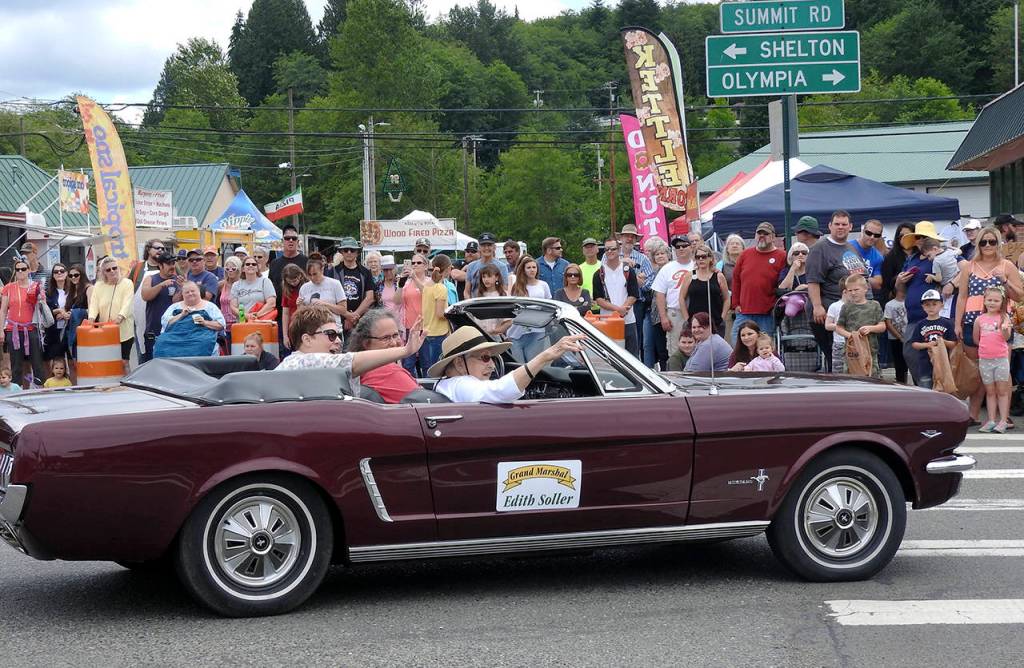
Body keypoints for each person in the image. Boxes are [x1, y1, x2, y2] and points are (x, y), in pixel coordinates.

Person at [430, 325, 584, 403]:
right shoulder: (461, 384)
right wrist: (544, 357)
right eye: (484, 358)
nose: (492, 366)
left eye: (492, 358)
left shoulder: (445, 385)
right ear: (459, 364)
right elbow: (501, 390)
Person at [806, 210, 868, 372]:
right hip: (828, 312)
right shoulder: (820, 249)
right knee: (835, 359)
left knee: (852, 357)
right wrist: (818, 306)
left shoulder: (850, 248)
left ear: (850, 227)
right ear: (829, 226)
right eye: (837, 224)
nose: (840, 227)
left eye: (844, 224)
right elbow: (812, 280)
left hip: (850, 312)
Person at [730, 222, 787, 342]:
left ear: (773, 237)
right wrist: (735, 304)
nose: (761, 236)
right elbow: (736, 280)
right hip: (744, 312)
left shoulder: (782, 256)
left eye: (765, 234)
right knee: (737, 342)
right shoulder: (745, 254)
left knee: (764, 348)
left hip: (767, 313)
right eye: (759, 233)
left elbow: (784, 283)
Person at [348, 309, 420, 403]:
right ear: (366, 343)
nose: (394, 343)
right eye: (385, 338)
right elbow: (425, 403)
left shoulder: (358, 370)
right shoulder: (385, 370)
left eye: (395, 335)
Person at [0, 257, 46, 388]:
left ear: (29, 270)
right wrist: (1, 331)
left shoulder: (35, 286)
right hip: (13, 328)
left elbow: (42, 307)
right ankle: (16, 389)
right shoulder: (8, 288)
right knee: (16, 363)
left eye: (23, 269)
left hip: (32, 328)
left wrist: (40, 297)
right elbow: (3, 310)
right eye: (18, 269)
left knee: (37, 362)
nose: (20, 271)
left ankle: (39, 388)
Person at [973, 287, 1013, 433]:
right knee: (990, 391)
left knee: (1002, 391)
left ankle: (1003, 420)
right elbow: (976, 338)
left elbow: (1007, 338)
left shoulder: (1004, 317)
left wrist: (1004, 329)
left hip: (1001, 359)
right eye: (989, 300)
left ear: (1002, 302)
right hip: (985, 359)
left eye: (996, 300)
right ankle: (991, 420)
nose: (992, 303)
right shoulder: (979, 319)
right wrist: (985, 347)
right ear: (984, 301)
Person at [592, 238, 640, 356]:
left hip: (628, 321)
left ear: (619, 250)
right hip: (606, 321)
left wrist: (623, 309)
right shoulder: (599, 273)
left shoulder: (628, 270)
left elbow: (633, 294)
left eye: (613, 249)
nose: (610, 251)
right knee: (609, 357)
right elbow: (599, 299)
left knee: (631, 357)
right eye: (607, 249)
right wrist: (618, 310)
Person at [88, 256, 135, 375]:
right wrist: (91, 319)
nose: (112, 271)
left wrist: (120, 317)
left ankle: (127, 385)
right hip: (105, 330)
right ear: (103, 272)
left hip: (124, 330)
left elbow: (127, 303)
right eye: (108, 270)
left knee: (124, 362)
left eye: (114, 268)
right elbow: (94, 304)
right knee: (108, 361)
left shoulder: (127, 283)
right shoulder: (99, 285)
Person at [155, 281, 225, 357]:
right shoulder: (174, 307)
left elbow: (221, 325)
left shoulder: (210, 306)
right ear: (182, 294)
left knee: (204, 343)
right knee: (161, 342)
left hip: (200, 338)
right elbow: (165, 323)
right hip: (176, 337)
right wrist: (181, 315)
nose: (190, 293)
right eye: (187, 292)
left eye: (193, 291)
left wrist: (205, 322)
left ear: (198, 291)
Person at [835, 274, 886, 378]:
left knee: (873, 379)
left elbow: (882, 326)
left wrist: (871, 328)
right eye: (850, 290)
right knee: (852, 379)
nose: (853, 293)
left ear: (865, 289)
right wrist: (851, 336)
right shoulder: (846, 307)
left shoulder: (874, 305)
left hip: (871, 352)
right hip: (852, 353)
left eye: (856, 289)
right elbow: (839, 327)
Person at [653, 234, 695, 355]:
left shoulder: (697, 265)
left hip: (695, 312)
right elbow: (659, 294)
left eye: (684, 245)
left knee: (697, 348)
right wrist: (663, 317)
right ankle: (676, 374)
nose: (681, 249)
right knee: (675, 350)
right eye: (677, 246)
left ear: (691, 247)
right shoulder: (667, 268)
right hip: (675, 313)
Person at [507, 255, 553, 361]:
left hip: (537, 328)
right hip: (518, 329)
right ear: (523, 270)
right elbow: (513, 307)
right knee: (519, 365)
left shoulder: (543, 285)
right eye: (528, 267)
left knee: (533, 362)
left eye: (534, 267)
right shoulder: (517, 286)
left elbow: (549, 305)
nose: (532, 270)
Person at [269, 224, 308, 347]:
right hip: (281, 315)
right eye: (287, 238)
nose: (290, 240)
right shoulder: (275, 263)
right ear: (282, 241)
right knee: (285, 349)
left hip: (303, 314)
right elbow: (271, 288)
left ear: (298, 241)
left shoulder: (305, 261)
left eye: (294, 238)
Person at [910, 289, 957, 391]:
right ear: (923, 307)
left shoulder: (947, 323)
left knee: (943, 392)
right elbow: (914, 344)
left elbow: (953, 344)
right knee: (926, 390)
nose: (931, 307)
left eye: (934, 304)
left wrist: (943, 342)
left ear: (941, 305)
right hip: (925, 365)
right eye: (927, 305)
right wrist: (928, 345)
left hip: (943, 364)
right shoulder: (920, 324)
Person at [139, 253, 181, 362]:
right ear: (160, 265)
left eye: (173, 263)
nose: (172, 266)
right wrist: (161, 285)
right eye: (168, 264)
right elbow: (145, 296)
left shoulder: (179, 280)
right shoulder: (151, 279)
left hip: (174, 331)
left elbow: (176, 302)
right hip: (154, 331)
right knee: (153, 363)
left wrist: (182, 289)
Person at [680, 245, 730, 336]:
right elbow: (681, 298)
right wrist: (687, 319)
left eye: (704, 256)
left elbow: (726, 298)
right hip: (695, 323)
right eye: (698, 257)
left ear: (710, 258)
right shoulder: (690, 275)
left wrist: (722, 317)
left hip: (715, 322)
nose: (701, 259)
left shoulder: (719, 276)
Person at [334, 237, 376, 332]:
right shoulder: (333, 271)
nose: (349, 252)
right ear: (341, 252)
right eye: (346, 250)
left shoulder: (366, 272)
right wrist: (347, 315)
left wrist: (354, 316)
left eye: (352, 250)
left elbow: (370, 297)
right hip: (338, 321)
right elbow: (331, 297)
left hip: (360, 320)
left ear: (357, 252)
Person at [421, 254, 452, 372]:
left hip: (427, 331)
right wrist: (452, 315)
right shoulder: (441, 288)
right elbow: (440, 314)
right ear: (448, 269)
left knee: (429, 369)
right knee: (437, 370)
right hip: (439, 333)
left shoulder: (427, 286)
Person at [298, 253, 347, 328]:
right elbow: (301, 314)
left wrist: (325, 304)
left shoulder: (335, 284)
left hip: (332, 328)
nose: (312, 277)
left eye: (315, 274)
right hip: (312, 329)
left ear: (322, 270)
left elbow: (343, 310)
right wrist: (299, 305)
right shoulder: (304, 287)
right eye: (309, 274)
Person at [399, 253, 429, 377]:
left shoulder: (430, 281)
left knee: (426, 363)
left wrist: (415, 278)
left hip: (426, 327)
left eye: (418, 263)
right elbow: (396, 301)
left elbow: (428, 293)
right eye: (413, 263)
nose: (415, 265)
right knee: (408, 364)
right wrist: (400, 283)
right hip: (410, 328)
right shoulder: (407, 283)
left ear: (426, 266)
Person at [463, 232, 510, 298]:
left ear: (494, 247)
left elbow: (505, 290)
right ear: (479, 248)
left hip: (496, 304)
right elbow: (467, 291)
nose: (486, 248)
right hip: (475, 305)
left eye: (489, 245)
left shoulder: (502, 267)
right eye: (483, 245)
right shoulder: (471, 266)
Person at [43, 263, 72, 367]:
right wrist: (58, 311)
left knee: (72, 362)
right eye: (56, 272)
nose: (59, 273)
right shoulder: (48, 292)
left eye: (62, 271)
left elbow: (78, 305)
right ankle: (51, 383)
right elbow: (45, 310)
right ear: (53, 275)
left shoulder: (73, 290)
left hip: (70, 329)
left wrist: (68, 313)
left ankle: (73, 383)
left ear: (66, 273)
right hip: (53, 330)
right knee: (52, 362)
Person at [880, 223, 917, 305]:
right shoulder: (890, 257)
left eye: (908, 236)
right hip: (898, 300)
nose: (904, 238)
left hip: (918, 298)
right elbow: (886, 285)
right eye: (901, 236)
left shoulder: (922, 254)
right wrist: (898, 280)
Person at [230, 255, 276, 320]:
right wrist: (246, 316)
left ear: (257, 268)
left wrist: (256, 315)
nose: (250, 265)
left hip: (261, 322)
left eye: (254, 264)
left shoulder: (265, 282)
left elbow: (272, 303)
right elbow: (233, 307)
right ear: (243, 269)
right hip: (242, 323)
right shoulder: (236, 285)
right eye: (247, 264)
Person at [849, 219, 887, 297]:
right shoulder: (848, 246)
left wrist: (858, 275)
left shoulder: (878, 257)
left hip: (864, 298)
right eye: (869, 233)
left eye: (876, 235)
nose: (872, 237)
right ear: (863, 231)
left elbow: (878, 284)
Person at [883, 282, 909, 384]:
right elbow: (888, 323)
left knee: (910, 361)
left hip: (909, 336)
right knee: (899, 363)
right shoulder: (890, 305)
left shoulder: (909, 302)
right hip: (895, 338)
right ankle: (901, 382)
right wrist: (899, 336)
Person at [279, 264, 307, 352]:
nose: (293, 283)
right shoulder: (287, 290)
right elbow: (285, 313)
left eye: (295, 280)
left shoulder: (307, 286)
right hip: (293, 327)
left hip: (306, 325)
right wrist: (285, 336)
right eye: (289, 281)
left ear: (300, 275)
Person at [826, 278, 851, 374]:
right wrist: (839, 326)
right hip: (839, 343)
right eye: (851, 291)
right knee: (838, 370)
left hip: (854, 343)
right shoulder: (835, 306)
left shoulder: (856, 306)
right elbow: (827, 325)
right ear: (844, 292)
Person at [218, 256, 242, 335]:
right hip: (224, 324)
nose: (230, 271)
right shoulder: (221, 285)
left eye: (233, 269)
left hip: (238, 323)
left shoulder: (242, 285)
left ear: (239, 269)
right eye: (227, 269)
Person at [578, 238, 601, 311]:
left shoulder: (604, 266)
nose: (589, 249)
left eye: (592, 246)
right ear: (583, 250)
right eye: (586, 247)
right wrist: (586, 299)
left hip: (604, 309)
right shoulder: (578, 269)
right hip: (585, 309)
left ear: (597, 248)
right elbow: (574, 289)